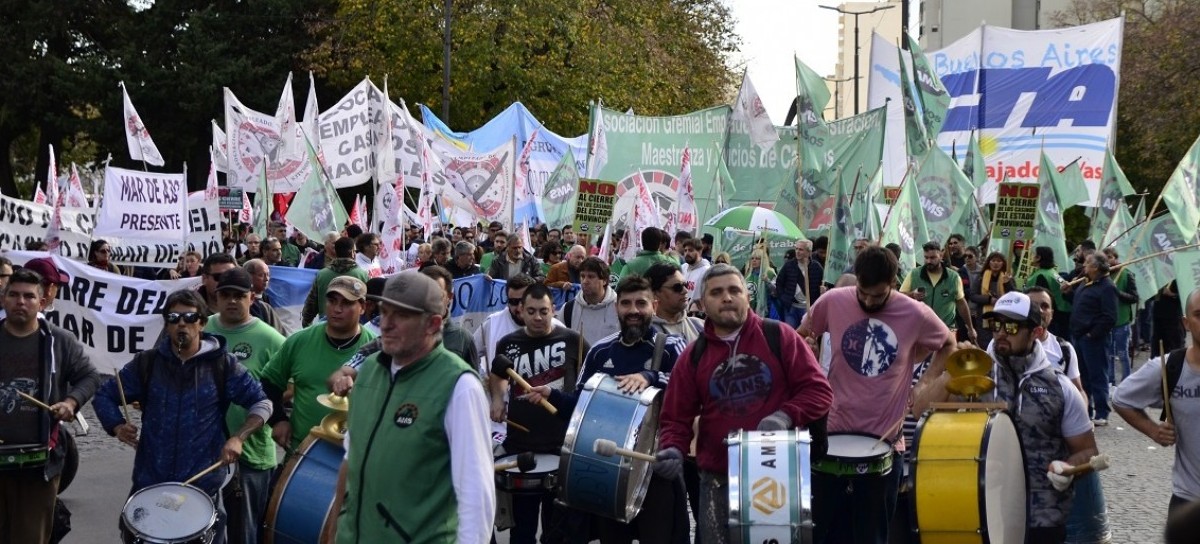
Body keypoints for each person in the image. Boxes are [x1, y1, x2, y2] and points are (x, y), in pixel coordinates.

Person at [659, 264, 833, 543]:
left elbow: (819, 392)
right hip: (717, 479)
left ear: (747, 297)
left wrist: (785, 416)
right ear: (702, 304)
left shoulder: (780, 336)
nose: (726, 297)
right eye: (716, 292)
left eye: (734, 290)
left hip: (777, 478)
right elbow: (675, 418)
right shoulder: (694, 355)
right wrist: (672, 449)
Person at [798, 246, 956, 544]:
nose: (869, 301)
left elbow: (949, 343)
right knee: (819, 534)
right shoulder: (833, 301)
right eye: (863, 293)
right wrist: (807, 347)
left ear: (894, 284)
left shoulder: (915, 312)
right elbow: (800, 336)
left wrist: (923, 384)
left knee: (872, 537)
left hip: (885, 441)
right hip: (831, 435)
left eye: (878, 295)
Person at [324, 273, 494, 543]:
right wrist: (333, 532)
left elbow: (476, 496)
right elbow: (350, 460)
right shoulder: (368, 371)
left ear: (433, 323)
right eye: (384, 311)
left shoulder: (460, 386)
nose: (386, 324)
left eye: (401, 315)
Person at [94, 290, 271, 544]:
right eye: (174, 317)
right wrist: (116, 425)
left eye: (189, 317)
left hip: (202, 486)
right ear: (166, 324)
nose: (181, 323)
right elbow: (104, 395)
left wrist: (238, 438)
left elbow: (261, 402)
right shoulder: (148, 362)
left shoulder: (222, 364)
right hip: (151, 482)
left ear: (202, 322)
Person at [525, 276, 690, 543]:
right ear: (617, 308)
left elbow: (688, 396)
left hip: (655, 468)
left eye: (641, 303)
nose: (633, 310)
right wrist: (552, 395)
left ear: (654, 306)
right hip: (607, 469)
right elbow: (581, 406)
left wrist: (651, 377)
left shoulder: (672, 346)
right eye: (626, 303)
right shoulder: (601, 351)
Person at [969, 291, 1098, 543]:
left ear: (1036, 332)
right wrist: (944, 368)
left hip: (1043, 514)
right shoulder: (975, 380)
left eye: (1012, 326)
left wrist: (1070, 468)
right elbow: (922, 411)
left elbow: (1088, 451)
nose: (1001, 333)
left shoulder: (1060, 387)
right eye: (996, 324)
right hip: (985, 509)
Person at [0, 268, 101, 543]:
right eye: (14, 295)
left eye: (29, 296)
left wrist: (71, 401)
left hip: (39, 465)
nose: (21, 301)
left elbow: (89, 377)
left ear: (42, 302)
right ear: (4, 299)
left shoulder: (59, 341)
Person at [488, 283, 589, 544]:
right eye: (531, 311)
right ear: (520, 310)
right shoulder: (508, 343)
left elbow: (589, 383)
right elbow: (498, 374)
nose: (537, 317)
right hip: (521, 447)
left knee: (557, 531)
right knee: (521, 530)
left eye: (543, 311)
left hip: (562, 446)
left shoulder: (572, 340)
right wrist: (498, 399)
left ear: (553, 309)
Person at [202, 268, 285, 544]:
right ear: (216, 297)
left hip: (251, 456)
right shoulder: (202, 329)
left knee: (244, 534)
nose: (232, 301)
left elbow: (289, 384)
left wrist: (260, 402)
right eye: (226, 294)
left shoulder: (270, 338)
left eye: (240, 295)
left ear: (252, 297)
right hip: (203, 453)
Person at [260, 276, 376, 452]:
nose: (337, 309)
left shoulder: (376, 351)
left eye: (347, 303)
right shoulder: (299, 341)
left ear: (363, 307)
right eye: (332, 301)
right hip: (303, 453)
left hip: (356, 456)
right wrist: (278, 420)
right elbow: (269, 383)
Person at [1115, 288, 1200, 521]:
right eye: (1199, 315)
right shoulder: (1168, 367)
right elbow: (1121, 398)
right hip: (1189, 501)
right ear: (1186, 323)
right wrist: (1153, 430)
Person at [1063, 253, 1118, 425]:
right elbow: (1078, 303)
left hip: (1093, 338)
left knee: (1097, 375)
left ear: (1095, 267)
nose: (1084, 266)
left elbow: (1109, 316)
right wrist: (1067, 293)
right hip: (1078, 335)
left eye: (1087, 263)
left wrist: (1092, 334)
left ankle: (1102, 412)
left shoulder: (1107, 287)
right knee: (1082, 376)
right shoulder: (1086, 283)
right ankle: (1086, 409)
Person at [900, 241, 978, 344]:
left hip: (946, 330)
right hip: (920, 329)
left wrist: (970, 328)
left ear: (940, 255)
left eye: (932, 258)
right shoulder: (914, 274)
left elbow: (961, 303)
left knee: (945, 359)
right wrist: (912, 295)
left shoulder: (953, 277)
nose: (928, 261)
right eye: (926, 257)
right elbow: (900, 297)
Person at [302, 237, 369, 327]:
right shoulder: (362, 275)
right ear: (353, 253)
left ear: (336, 252)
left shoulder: (321, 275)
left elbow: (311, 305)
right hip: (353, 327)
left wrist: (307, 325)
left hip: (326, 327)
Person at [558, 257, 619, 345]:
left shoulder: (619, 308)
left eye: (591, 276)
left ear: (604, 281)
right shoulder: (568, 309)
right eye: (582, 276)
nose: (585, 281)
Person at [1102, 247, 1138, 383]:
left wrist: (1117, 293)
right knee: (1109, 354)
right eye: (1105, 259)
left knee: (1123, 354)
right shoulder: (1103, 275)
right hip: (1107, 321)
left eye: (1110, 258)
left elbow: (1134, 297)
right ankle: (1110, 381)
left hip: (1121, 321)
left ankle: (1126, 381)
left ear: (1116, 258)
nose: (1108, 261)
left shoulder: (1126, 274)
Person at [646, 262, 704, 343]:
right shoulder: (646, 333)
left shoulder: (699, 326)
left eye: (685, 285)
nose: (685, 291)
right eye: (677, 287)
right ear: (655, 294)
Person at [969, 251, 1017, 348]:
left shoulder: (1007, 277)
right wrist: (989, 300)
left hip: (1003, 314)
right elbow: (972, 295)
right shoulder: (980, 277)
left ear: (1003, 263)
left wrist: (1007, 283)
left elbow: (1014, 296)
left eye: (999, 261)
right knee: (985, 343)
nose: (995, 263)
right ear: (989, 262)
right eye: (993, 260)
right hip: (984, 316)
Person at [1025, 245, 1072, 339]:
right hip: (1064, 313)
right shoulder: (1053, 272)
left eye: (1034, 254)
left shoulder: (1041, 275)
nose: (1032, 256)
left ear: (1039, 258)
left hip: (1052, 318)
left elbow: (1042, 299)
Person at [775, 239, 823, 328]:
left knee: (806, 336)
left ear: (809, 252)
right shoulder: (789, 265)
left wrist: (822, 291)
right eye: (796, 249)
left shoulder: (816, 267)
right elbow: (779, 283)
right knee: (791, 335)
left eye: (801, 249)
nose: (797, 252)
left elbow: (821, 285)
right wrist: (783, 298)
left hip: (808, 308)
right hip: (791, 307)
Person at [1152, 281, 1186, 358]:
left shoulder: (1179, 275)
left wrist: (1172, 294)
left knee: (1176, 346)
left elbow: (1186, 295)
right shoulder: (1159, 275)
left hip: (1173, 317)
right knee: (1157, 347)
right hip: (1158, 315)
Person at [742, 247, 776, 315]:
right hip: (751, 309)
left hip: (765, 310)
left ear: (763, 260)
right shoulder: (749, 273)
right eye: (752, 258)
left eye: (757, 258)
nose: (754, 260)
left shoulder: (769, 272)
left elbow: (776, 292)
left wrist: (767, 281)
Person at [679, 238, 711, 310]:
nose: (687, 253)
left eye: (690, 250)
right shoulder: (683, 267)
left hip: (696, 312)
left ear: (699, 251)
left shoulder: (706, 271)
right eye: (685, 250)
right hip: (681, 310)